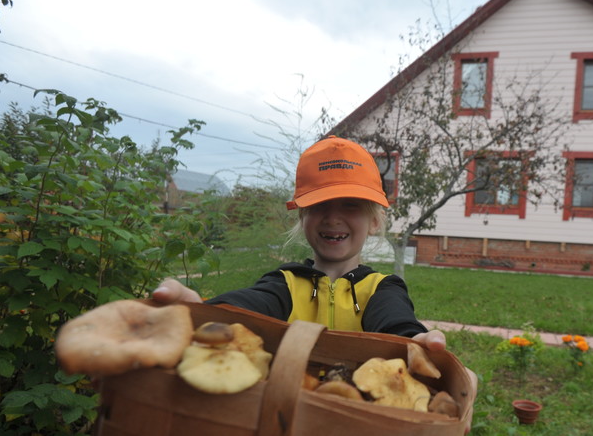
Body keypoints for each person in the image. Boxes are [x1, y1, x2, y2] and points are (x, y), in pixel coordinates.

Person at [153, 135, 475, 431]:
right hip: (282, 421)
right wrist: (204, 311)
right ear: (302, 218)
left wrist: (417, 341)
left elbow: (395, 323)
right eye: (319, 204)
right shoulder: (285, 283)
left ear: (374, 221)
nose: (332, 217)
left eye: (350, 204)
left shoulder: (382, 287)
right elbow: (251, 304)